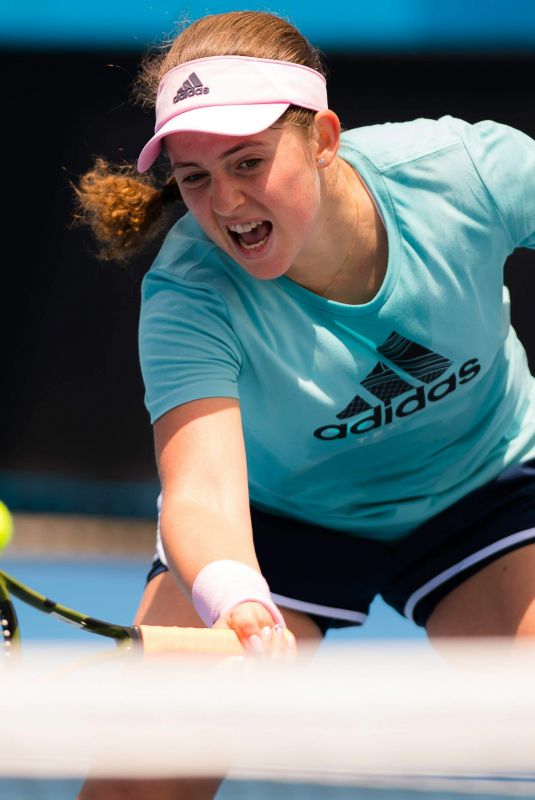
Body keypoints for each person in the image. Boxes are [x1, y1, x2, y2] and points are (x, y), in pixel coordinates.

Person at [77, 9, 535, 799]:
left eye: (248, 162)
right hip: (276, 525)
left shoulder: (466, 171)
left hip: (478, 485)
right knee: (137, 788)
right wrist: (239, 598)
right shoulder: (189, 292)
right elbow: (202, 494)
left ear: (323, 138)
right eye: (195, 177)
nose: (225, 201)